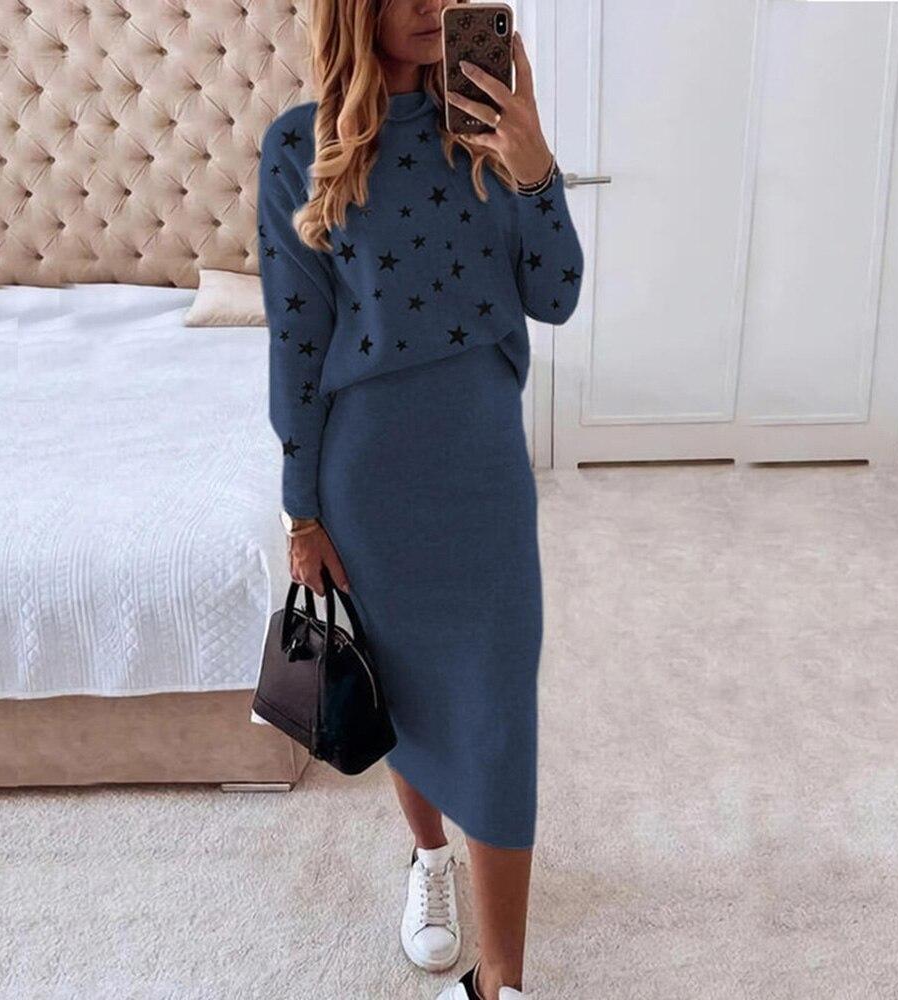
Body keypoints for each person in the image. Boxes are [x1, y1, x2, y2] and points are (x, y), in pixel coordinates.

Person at [257, 1, 583, 996]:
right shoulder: (299, 148)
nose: (430, 6)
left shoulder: (490, 132)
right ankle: (429, 858)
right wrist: (301, 511)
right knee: (408, 693)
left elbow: (557, 294)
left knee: (497, 714)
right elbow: (297, 344)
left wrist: (535, 168)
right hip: (370, 480)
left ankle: (501, 982)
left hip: (482, 470)